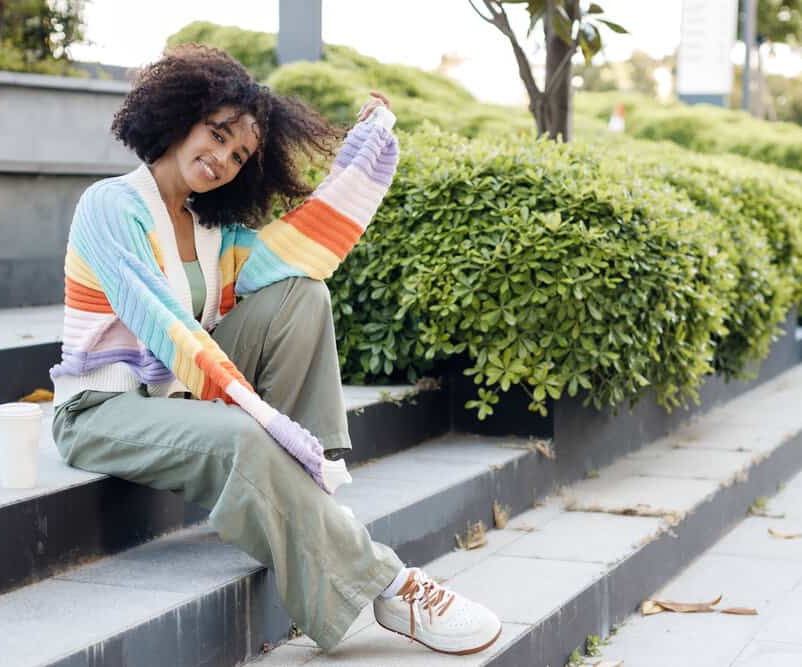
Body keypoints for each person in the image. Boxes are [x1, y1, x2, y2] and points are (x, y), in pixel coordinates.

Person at [48, 43, 501, 655]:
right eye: (216, 134)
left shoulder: (214, 231)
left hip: (183, 392)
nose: (222, 159)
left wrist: (362, 151)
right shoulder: (110, 205)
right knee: (244, 436)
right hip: (101, 413)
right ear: (179, 117)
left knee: (302, 295)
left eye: (239, 155)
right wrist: (259, 418)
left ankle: (299, 496)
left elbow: (301, 251)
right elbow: (159, 321)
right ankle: (393, 586)